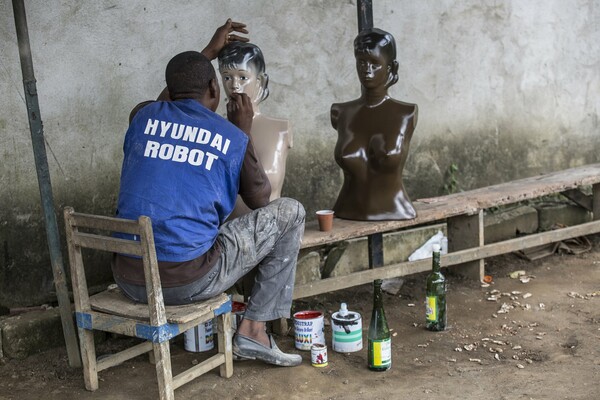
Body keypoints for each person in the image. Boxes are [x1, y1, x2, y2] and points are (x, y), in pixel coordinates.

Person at [112, 19, 305, 367]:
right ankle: (254, 330)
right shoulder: (229, 135)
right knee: (291, 211)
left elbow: (169, 98)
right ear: (215, 89)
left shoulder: (141, 117)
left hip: (128, 278)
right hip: (188, 282)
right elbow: (262, 201)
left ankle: (252, 330)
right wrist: (242, 132)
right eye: (225, 79)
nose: (234, 87)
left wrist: (207, 53)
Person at [331, 27, 418, 221]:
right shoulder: (341, 112)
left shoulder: (406, 113)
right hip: (347, 210)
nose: (366, 69)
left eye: (375, 63)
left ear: (390, 67)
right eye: (361, 62)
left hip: (397, 209)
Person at [217, 42, 293, 218]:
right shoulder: (215, 129)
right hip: (227, 235)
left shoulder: (281, 128)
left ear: (260, 80)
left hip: (269, 233)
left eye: (243, 77)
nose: (234, 86)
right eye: (227, 77)